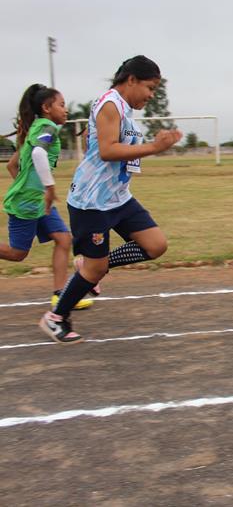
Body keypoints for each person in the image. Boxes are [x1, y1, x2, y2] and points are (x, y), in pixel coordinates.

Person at [39, 56, 182, 343]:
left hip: (118, 199)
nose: (151, 95)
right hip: (92, 202)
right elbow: (107, 150)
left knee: (155, 245)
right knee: (96, 268)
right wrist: (154, 147)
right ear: (131, 80)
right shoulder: (110, 103)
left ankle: (90, 266)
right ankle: (55, 318)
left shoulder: (124, 110)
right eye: (150, 87)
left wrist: (152, 146)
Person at [2, 85, 94, 322]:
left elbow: (12, 166)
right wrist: (49, 188)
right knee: (18, 254)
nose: (66, 110)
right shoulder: (47, 127)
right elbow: (39, 155)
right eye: (61, 105)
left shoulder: (33, 129)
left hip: (37, 202)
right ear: (46, 108)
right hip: (27, 205)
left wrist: (36, 190)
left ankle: (60, 295)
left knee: (64, 239)